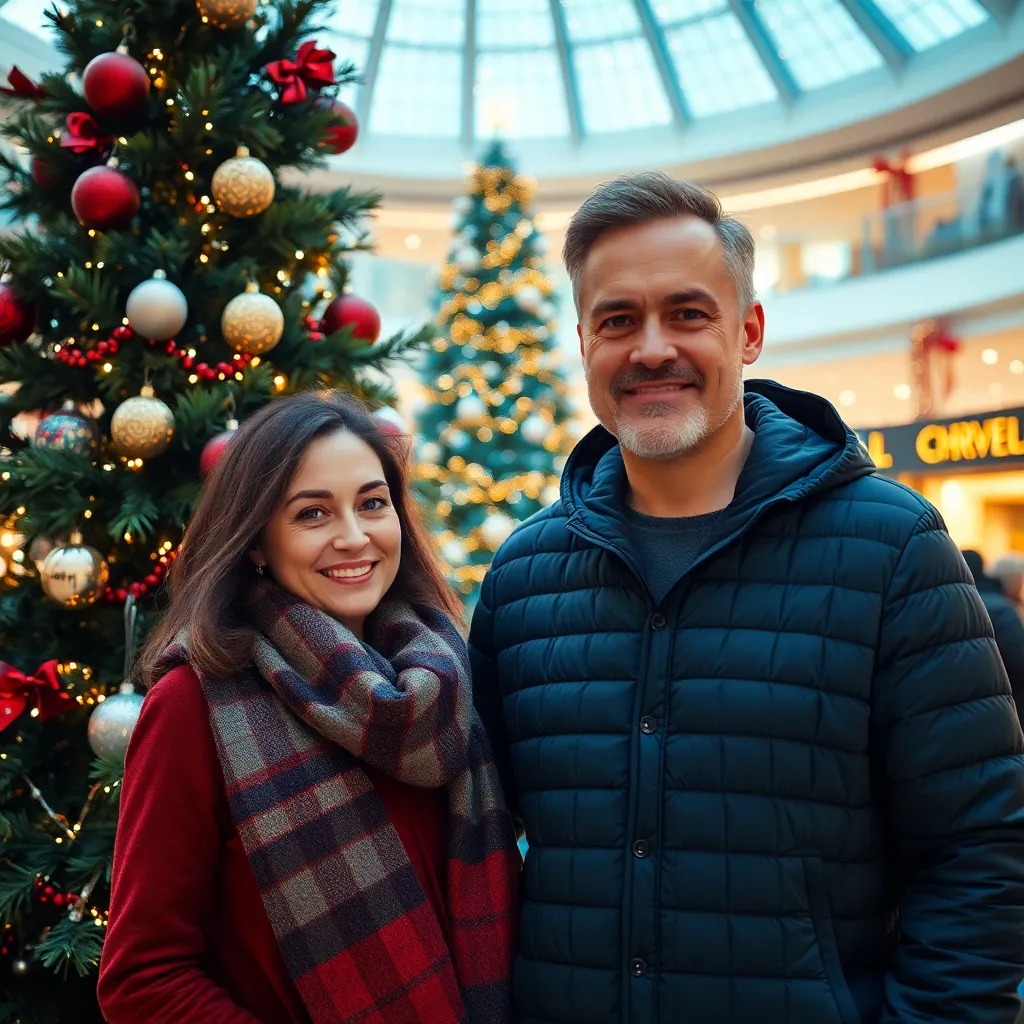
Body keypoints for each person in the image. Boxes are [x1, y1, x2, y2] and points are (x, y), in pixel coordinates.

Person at [469, 172, 1024, 1024]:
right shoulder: (523, 576)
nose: (652, 348)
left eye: (688, 313)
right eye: (619, 320)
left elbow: (980, 849)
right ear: (584, 341)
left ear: (750, 331)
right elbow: (477, 844)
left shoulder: (891, 546)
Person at [99, 391, 519, 1024]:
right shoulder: (192, 706)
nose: (354, 537)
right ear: (257, 542)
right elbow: (144, 978)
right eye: (312, 514)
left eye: (372, 504)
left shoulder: (446, 683)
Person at [964, 549, 1024, 720]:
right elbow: (1019, 659)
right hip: (1007, 703)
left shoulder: (960, 603)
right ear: (1011, 579)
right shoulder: (1003, 609)